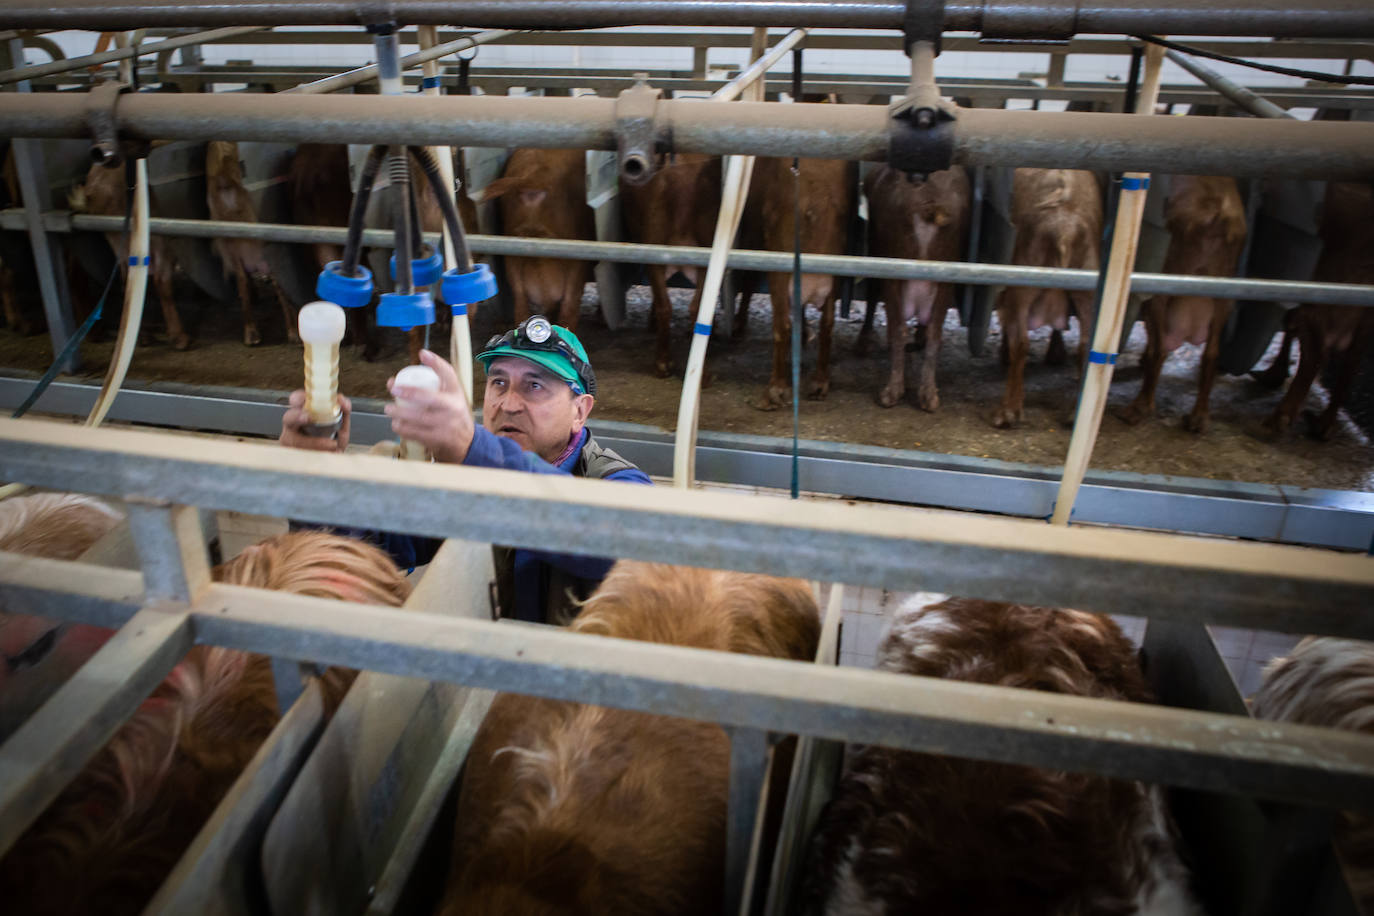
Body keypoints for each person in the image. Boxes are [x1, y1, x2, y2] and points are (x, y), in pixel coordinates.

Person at [280, 315, 651, 623]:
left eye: (535, 386)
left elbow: (623, 542)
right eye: (499, 382)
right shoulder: (466, 479)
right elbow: (369, 548)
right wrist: (314, 480)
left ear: (580, 411)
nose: (508, 403)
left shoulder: (617, 481)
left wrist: (474, 449)